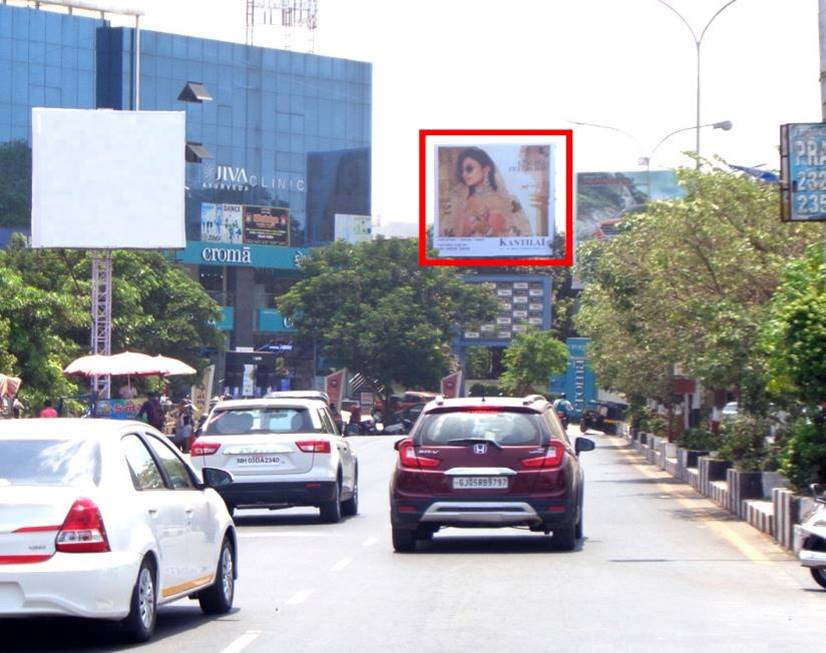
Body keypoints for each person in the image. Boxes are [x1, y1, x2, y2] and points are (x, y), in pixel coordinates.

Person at [440, 147, 533, 238]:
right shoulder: (459, 201)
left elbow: (524, 237)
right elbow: (446, 238)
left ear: (486, 169)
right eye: (462, 170)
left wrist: (488, 231)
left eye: (469, 169)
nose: (464, 174)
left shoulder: (510, 201)